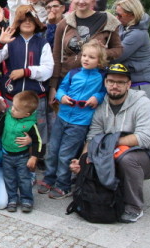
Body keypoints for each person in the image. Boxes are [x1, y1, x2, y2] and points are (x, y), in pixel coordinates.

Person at [70, 63, 150, 223]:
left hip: (149, 156)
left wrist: (109, 144)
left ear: (128, 84)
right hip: (113, 153)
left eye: (120, 82)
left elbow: (145, 138)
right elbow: (93, 137)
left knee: (127, 159)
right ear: (105, 82)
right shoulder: (101, 105)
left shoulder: (142, 103)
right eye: (111, 81)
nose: (115, 86)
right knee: (89, 158)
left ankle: (134, 207)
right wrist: (82, 160)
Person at [39, 40, 107, 199]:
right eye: (84, 55)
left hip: (80, 121)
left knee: (66, 154)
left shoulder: (101, 77)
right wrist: (61, 96)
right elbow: (62, 88)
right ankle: (49, 178)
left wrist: (97, 97)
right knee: (53, 149)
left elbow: (104, 92)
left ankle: (63, 184)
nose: (86, 59)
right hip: (62, 116)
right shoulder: (73, 73)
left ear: (99, 61)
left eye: (91, 57)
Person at [0, 5, 54, 145]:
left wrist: (25, 72)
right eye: (23, 19)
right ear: (17, 22)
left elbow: (48, 69)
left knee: (38, 129)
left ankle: (38, 154)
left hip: (36, 98)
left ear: (36, 22)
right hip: (13, 95)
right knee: (12, 127)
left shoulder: (43, 43)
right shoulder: (10, 41)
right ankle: (13, 152)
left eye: (31, 19)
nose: (27, 22)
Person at [49, 0, 122, 104]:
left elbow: (118, 50)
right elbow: (56, 55)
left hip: (94, 84)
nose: (81, 1)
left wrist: (101, 53)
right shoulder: (64, 23)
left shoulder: (107, 21)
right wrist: (53, 86)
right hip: (67, 82)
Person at [1, 90, 44, 213]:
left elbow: (38, 141)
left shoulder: (31, 125)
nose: (12, 109)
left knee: (24, 179)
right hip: (6, 155)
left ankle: (27, 199)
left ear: (26, 114)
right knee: (9, 179)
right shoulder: (8, 115)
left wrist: (34, 157)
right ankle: (12, 199)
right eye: (13, 106)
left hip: (22, 157)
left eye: (16, 109)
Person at [113, 0, 150, 101]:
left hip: (142, 82)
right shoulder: (123, 27)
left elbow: (117, 56)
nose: (116, 18)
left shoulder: (138, 34)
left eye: (120, 15)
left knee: (137, 111)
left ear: (132, 15)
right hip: (130, 79)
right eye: (116, 14)